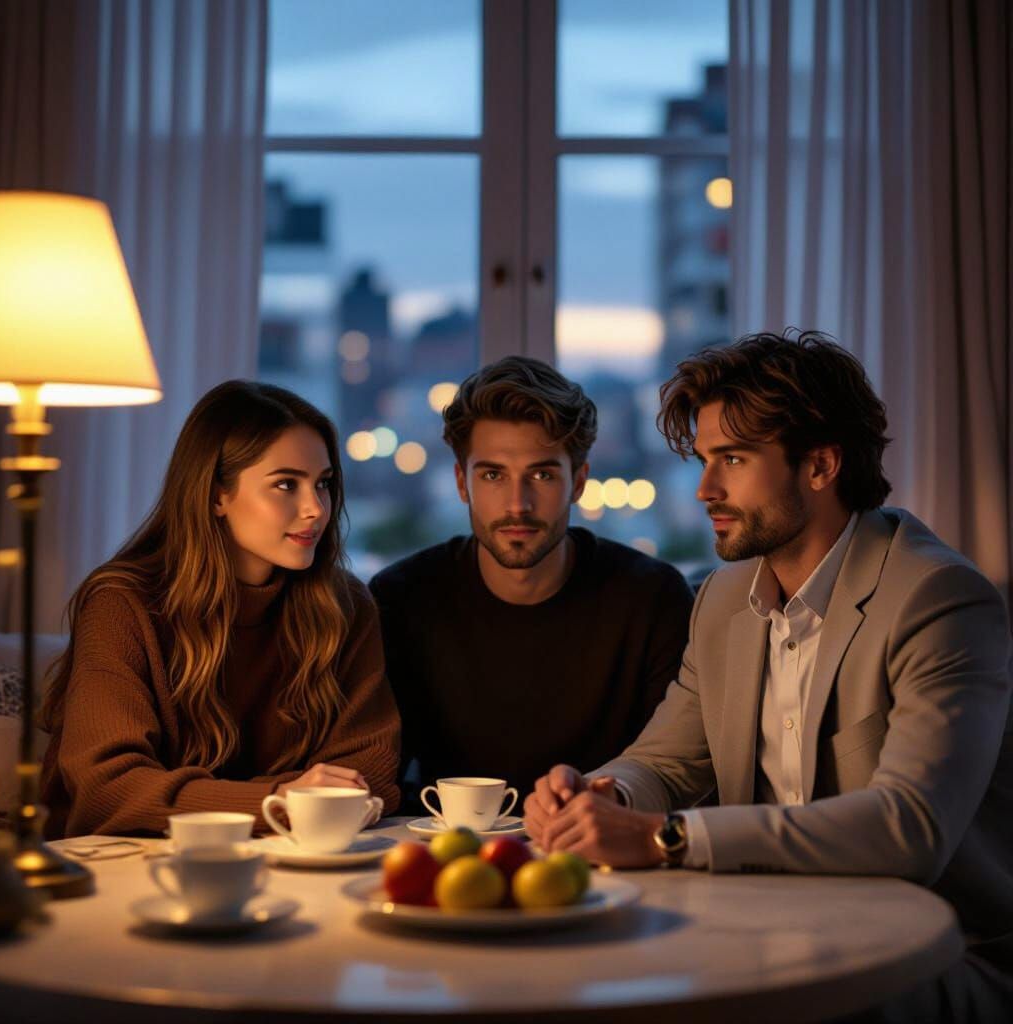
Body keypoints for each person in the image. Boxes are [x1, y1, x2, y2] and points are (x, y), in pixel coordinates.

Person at [525, 332, 1012, 1017]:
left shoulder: (937, 598)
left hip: (937, 951)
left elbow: (910, 827)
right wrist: (604, 795)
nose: (705, 489)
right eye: (703, 460)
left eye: (732, 460)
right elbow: (665, 764)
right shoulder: (725, 600)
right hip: (778, 928)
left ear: (819, 465)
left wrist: (668, 839)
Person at [41, 381, 401, 838]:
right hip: (119, 866)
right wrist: (277, 801)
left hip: (285, 859)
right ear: (216, 495)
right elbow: (108, 790)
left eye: (324, 484)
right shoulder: (122, 604)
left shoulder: (345, 605)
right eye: (286, 484)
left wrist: (270, 802)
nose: (315, 508)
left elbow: (371, 773)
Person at [370, 356, 694, 808]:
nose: (517, 503)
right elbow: (379, 778)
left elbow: (674, 772)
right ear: (462, 483)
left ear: (578, 481)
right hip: (450, 852)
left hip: (606, 850)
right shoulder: (401, 598)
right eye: (492, 475)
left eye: (542, 474)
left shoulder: (651, 598)